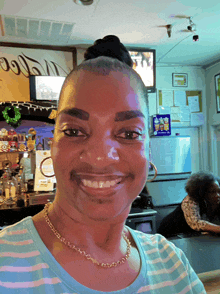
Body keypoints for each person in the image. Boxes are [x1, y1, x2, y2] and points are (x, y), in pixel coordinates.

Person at [0, 36, 206, 293]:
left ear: (148, 148)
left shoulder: (173, 265)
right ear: (52, 145)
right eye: (74, 131)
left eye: (129, 134)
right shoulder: (5, 264)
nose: (101, 157)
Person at [157, 171, 220, 238]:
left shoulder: (217, 201)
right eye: (212, 192)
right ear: (202, 193)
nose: (218, 195)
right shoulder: (190, 201)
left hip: (191, 236)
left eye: (219, 191)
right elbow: (196, 223)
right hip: (171, 234)